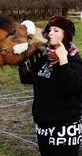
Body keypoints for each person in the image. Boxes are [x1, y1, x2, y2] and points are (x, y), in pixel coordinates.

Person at [19, 15, 82, 156]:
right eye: (49, 30)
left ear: (66, 36)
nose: (50, 33)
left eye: (56, 30)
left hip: (64, 128)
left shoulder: (74, 61)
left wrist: (63, 60)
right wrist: (23, 59)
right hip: (43, 126)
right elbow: (29, 79)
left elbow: (71, 88)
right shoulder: (45, 59)